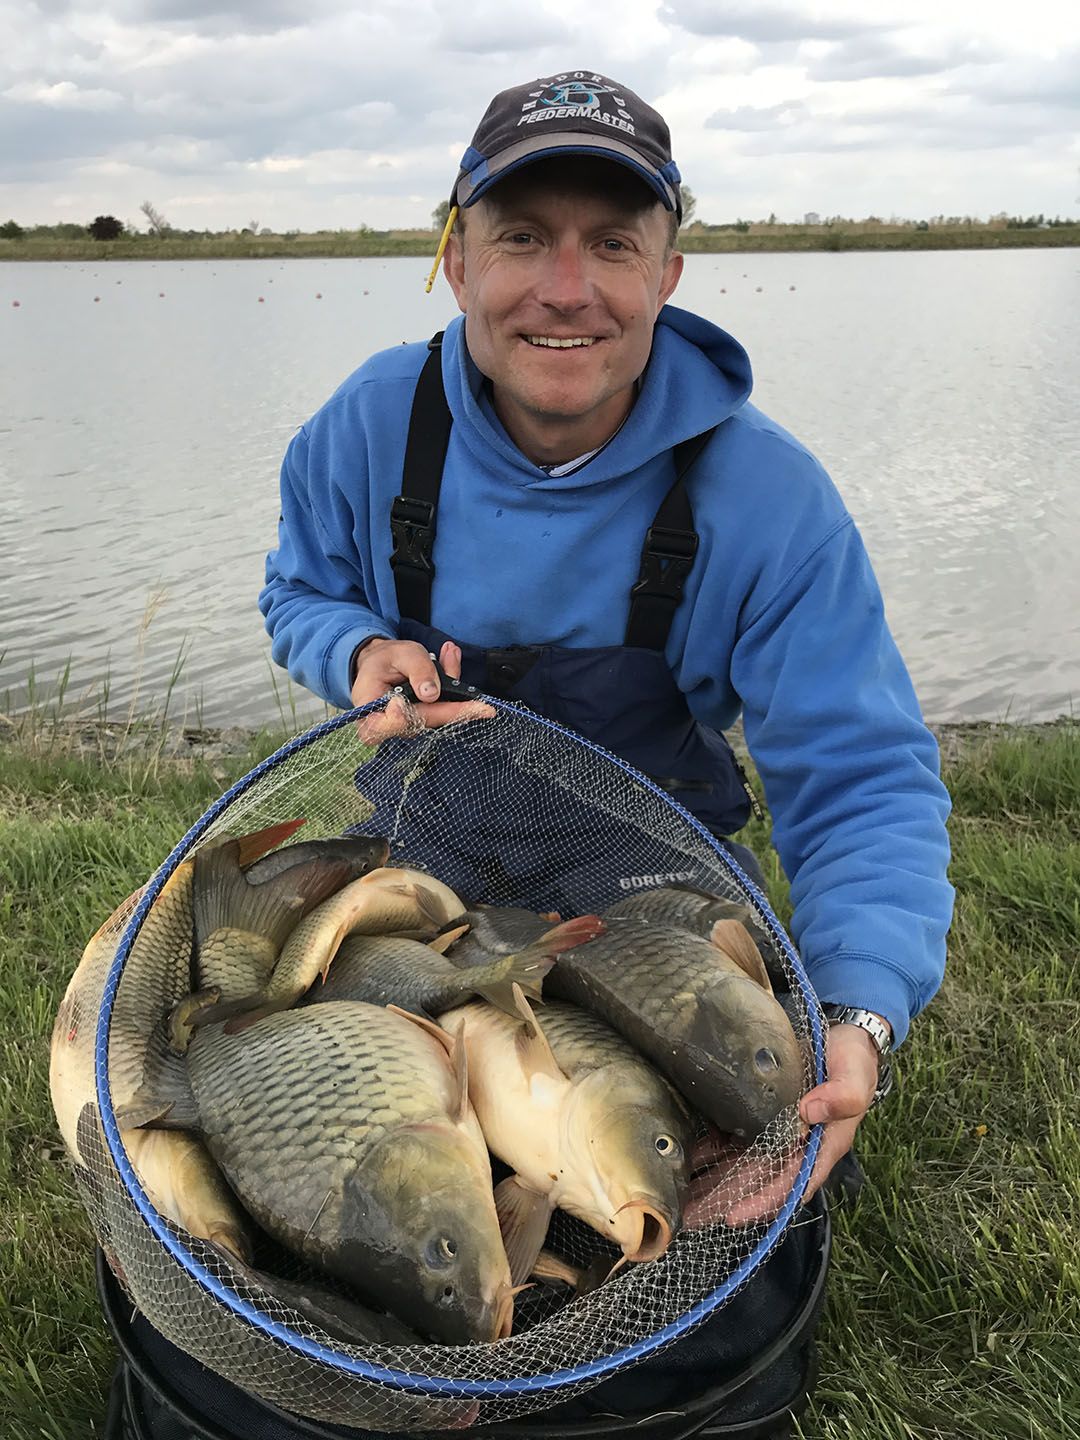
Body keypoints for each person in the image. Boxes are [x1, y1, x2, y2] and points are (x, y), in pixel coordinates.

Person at [255, 69, 954, 1437]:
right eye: (523, 236)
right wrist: (351, 651)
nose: (565, 287)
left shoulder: (766, 497)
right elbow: (297, 590)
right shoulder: (364, 427)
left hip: (652, 884)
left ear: (670, 269)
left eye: (613, 242)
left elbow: (858, 774)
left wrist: (861, 1014)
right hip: (427, 859)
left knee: (732, 1133)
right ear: (454, 257)